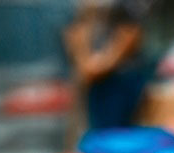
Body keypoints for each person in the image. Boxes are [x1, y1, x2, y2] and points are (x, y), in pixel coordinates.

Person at [63, 0, 153, 140]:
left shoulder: (125, 5)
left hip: (122, 78)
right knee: (97, 136)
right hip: (93, 81)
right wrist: (85, 63)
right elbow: (74, 30)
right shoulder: (79, 6)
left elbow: (130, 31)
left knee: (121, 137)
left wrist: (103, 65)